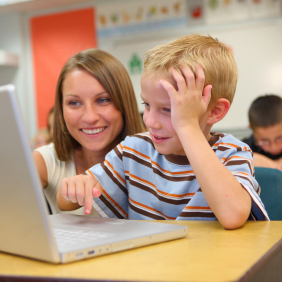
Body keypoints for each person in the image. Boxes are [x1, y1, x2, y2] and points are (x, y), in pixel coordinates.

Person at [57, 34, 269, 229]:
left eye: (169, 110)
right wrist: (75, 187)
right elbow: (62, 201)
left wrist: (187, 127)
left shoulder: (231, 152)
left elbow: (233, 216)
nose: (150, 121)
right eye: (147, 105)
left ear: (215, 111)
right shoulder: (134, 151)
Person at [33, 48, 145, 215]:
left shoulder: (155, 158)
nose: (90, 117)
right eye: (75, 103)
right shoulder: (45, 161)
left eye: (103, 100)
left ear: (124, 103)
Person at [242, 95, 282, 170]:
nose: (274, 147)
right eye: (264, 141)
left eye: (280, 138)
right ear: (252, 129)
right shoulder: (244, 148)